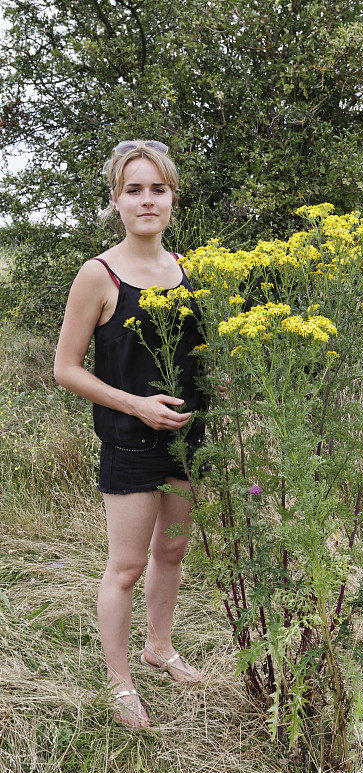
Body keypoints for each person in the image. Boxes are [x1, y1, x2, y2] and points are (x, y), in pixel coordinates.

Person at [54, 140, 209, 729]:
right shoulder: (99, 274)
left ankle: (159, 649)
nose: (148, 201)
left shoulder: (187, 270)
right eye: (134, 190)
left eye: (158, 189)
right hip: (129, 442)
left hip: (187, 442)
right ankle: (120, 680)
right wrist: (136, 406)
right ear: (116, 200)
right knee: (126, 567)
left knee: (171, 551)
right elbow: (65, 368)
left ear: (173, 198)